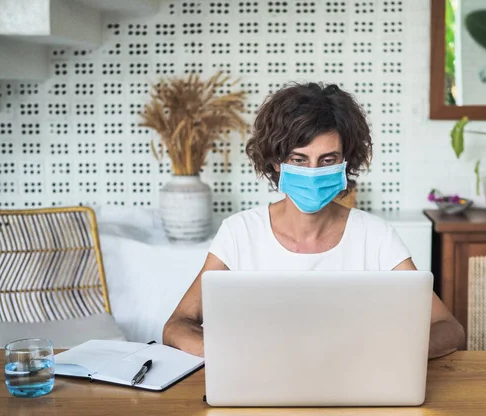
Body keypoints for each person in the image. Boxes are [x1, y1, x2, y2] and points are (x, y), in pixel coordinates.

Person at [163, 82, 465, 359]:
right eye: (299, 159)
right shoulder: (240, 232)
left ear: (346, 162)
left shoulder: (375, 236)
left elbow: (449, 328)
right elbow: (177, 326)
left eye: (327, 160)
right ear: (276, 161)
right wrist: (234, 356)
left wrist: (385, 354)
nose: (312, 171)